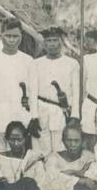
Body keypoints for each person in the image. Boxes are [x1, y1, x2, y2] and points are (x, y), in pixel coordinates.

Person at [0, 18, 38, 152]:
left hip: (19, 117)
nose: (12, 40)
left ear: (21, 37)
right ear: (1, 36)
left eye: (15, 36)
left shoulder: (28, 60)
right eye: (8, 36)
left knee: (17, 158)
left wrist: (33, 116)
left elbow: (33, 90)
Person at [29, 26, 80, 155]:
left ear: (61, 41)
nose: (52, 44)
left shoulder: (72, 63)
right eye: (48, 41)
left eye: (55, 40)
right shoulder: (36, 64)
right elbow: (33, 91)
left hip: (61, 112)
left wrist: (74, 116)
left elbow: (76, 91)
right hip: (41, 111)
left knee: (61, 149)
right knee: (40, 150)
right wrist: (34, 116)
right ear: (44, 43)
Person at [43, 123, 97, 190]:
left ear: (82, 141)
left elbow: (94, 178)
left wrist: (70, 173)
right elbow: (51, 179)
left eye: (76, 140)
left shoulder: (88, 156)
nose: (73, 144)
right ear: (63, 141)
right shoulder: (53, 158)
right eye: (69, 140)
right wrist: (79, 178)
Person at [0, 121, 45, 190]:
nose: (16, 143)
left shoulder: (34, 159)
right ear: (7, 139)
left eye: (19, 139)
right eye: (12, 139)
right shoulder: (0, 158)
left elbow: (41, 184)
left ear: (25, 138)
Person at [81, 30, 97, 152]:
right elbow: (82, 85)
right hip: (91, 103)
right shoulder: (87, 59)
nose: (86, 43)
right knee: (89, 139)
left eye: (88, 40)